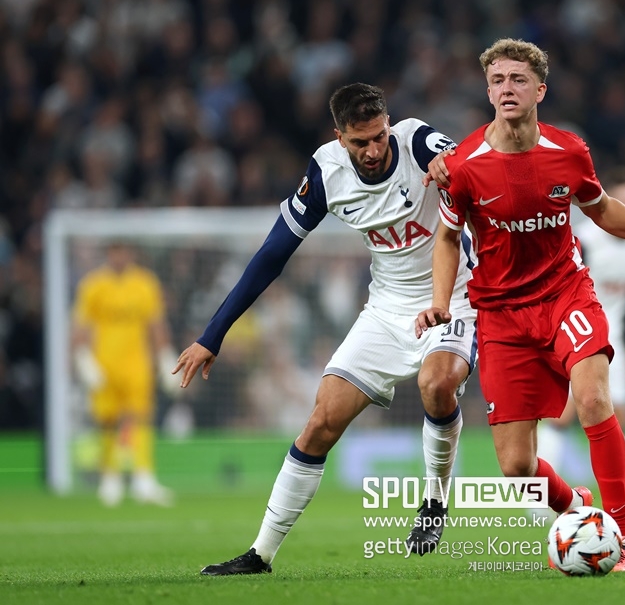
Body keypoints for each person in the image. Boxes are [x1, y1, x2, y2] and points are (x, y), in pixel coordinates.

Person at [415, 39, 625, 573]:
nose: (506, 89)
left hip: (566, 293)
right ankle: (578, 511)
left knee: (593, 402)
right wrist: (438, 303)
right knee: (517, 467)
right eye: (497, 80)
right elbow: (448, 238)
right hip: (500, 315)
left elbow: (604, 210)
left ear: (540, 89)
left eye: (517, 80)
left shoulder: (569, 151)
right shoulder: (464, 166)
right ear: (488, 90)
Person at [173, 83, 477, 575]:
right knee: (319, 423)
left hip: (455, 298)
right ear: (339, 137)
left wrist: (456, 165)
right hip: (386, 308)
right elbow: (272, 254)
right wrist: (213, 335)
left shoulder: (417, 140)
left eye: (379, 136)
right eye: (361, 142)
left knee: (438, 383)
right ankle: (260, 555)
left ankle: (436, 501)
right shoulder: (326, 171)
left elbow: (472, 160)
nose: (374, 150)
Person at [537, 167, 625, 520]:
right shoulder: (585, 239)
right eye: (622, 203)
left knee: (622, 416)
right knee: (563, 416)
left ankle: (623, 500)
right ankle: (537, 501)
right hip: (575, 333)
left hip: (610, 335)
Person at [72, 241, 180, 507]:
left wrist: (165, 355)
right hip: (104, 363)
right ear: (109, 254)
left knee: (141, 417)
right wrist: (82, 358)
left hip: (136, 362)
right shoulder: (93, 285)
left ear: (129, 254)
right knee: (106, 419)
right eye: (114, 252)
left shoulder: (144, 283)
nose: (119, 258)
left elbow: (156, 323)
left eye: (123, 253)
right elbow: (81, 325)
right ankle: (110, 477)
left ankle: (143, 477)